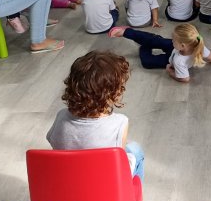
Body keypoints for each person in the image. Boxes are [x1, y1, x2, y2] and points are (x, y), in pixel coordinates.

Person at [46, 51, 144, 181]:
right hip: (106, 185)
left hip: (69, 181)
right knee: (136, 150)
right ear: (113, 93)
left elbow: (53, 143)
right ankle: (131, 193)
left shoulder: (61, 116)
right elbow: (118, 162)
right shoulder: (120, 123)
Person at [110, 23, 211, 83]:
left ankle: (145, 45)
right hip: (174, 49)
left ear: (182, 45)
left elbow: (185, 79)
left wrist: (170, 71)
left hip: (170, 59)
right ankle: (126, 32)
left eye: (174, 40)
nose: (172, 40)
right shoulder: (199, 45)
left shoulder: (179, 61)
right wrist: (208, 60)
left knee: (147, 62)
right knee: (155, 40)